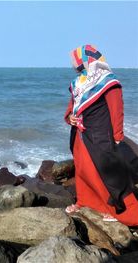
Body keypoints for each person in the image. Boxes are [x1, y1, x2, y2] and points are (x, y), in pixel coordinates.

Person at [64, 44, 138, 226]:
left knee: (107, 172)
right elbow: (71, 108)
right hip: (80, 135)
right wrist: (69, 118)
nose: (74, 64)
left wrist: (118, 135)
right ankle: (85, 202)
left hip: (101, 135)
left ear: (87, 60)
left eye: (77, 59)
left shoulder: (108, 81)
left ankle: (120, 210)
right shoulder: (78, 83)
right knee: (83, 170)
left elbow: (116, 110)